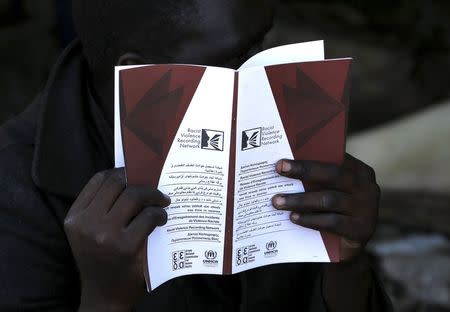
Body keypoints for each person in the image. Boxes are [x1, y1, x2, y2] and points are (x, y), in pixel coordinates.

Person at [0, 1, 392, 311]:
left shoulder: (284, 135)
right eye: (235, 62)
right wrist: (106, 299)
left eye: (264, 43)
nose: (265, 81)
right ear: (145, 73)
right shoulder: (16, 189)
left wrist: (347, 261)